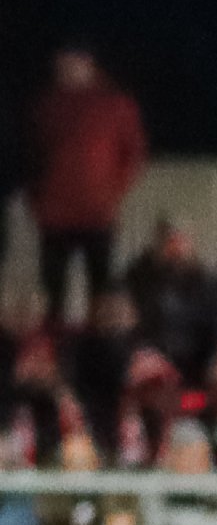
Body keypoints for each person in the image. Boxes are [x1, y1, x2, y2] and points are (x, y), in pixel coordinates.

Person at [25, 46, 147, 322]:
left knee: (101, 291)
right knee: (52, 292)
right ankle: (53, 341)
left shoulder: (116, 104)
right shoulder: (47, 106)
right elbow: (31, 155)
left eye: (73, 64)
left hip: (97, 214)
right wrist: (37, 199)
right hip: (55, 215)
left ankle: (97, 343)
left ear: (89, 65)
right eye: (61, 66)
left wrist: (111, 191)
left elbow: (134, 152)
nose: (66, 72)